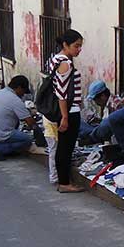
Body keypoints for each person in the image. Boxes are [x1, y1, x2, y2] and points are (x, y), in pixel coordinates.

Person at [49, 29, 84, 193]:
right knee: (66, 147)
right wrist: (65, 117)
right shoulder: (66, 63)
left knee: (62, 146)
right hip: (70, 111)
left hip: (65, 110)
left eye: (80, 46)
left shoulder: (55, 59)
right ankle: (64, 183)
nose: (78, 50)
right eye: (76, 46)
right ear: (66, 45)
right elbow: (61, 93)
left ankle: (63, 180)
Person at [0, 75, 37, 160]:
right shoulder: (15, 100)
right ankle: (0, 149)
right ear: (19, 87)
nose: (23, 94)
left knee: (15, 123)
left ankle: (2, 146)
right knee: (27, 139)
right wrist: (38, 132)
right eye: (23, 91)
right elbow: (30, 122)